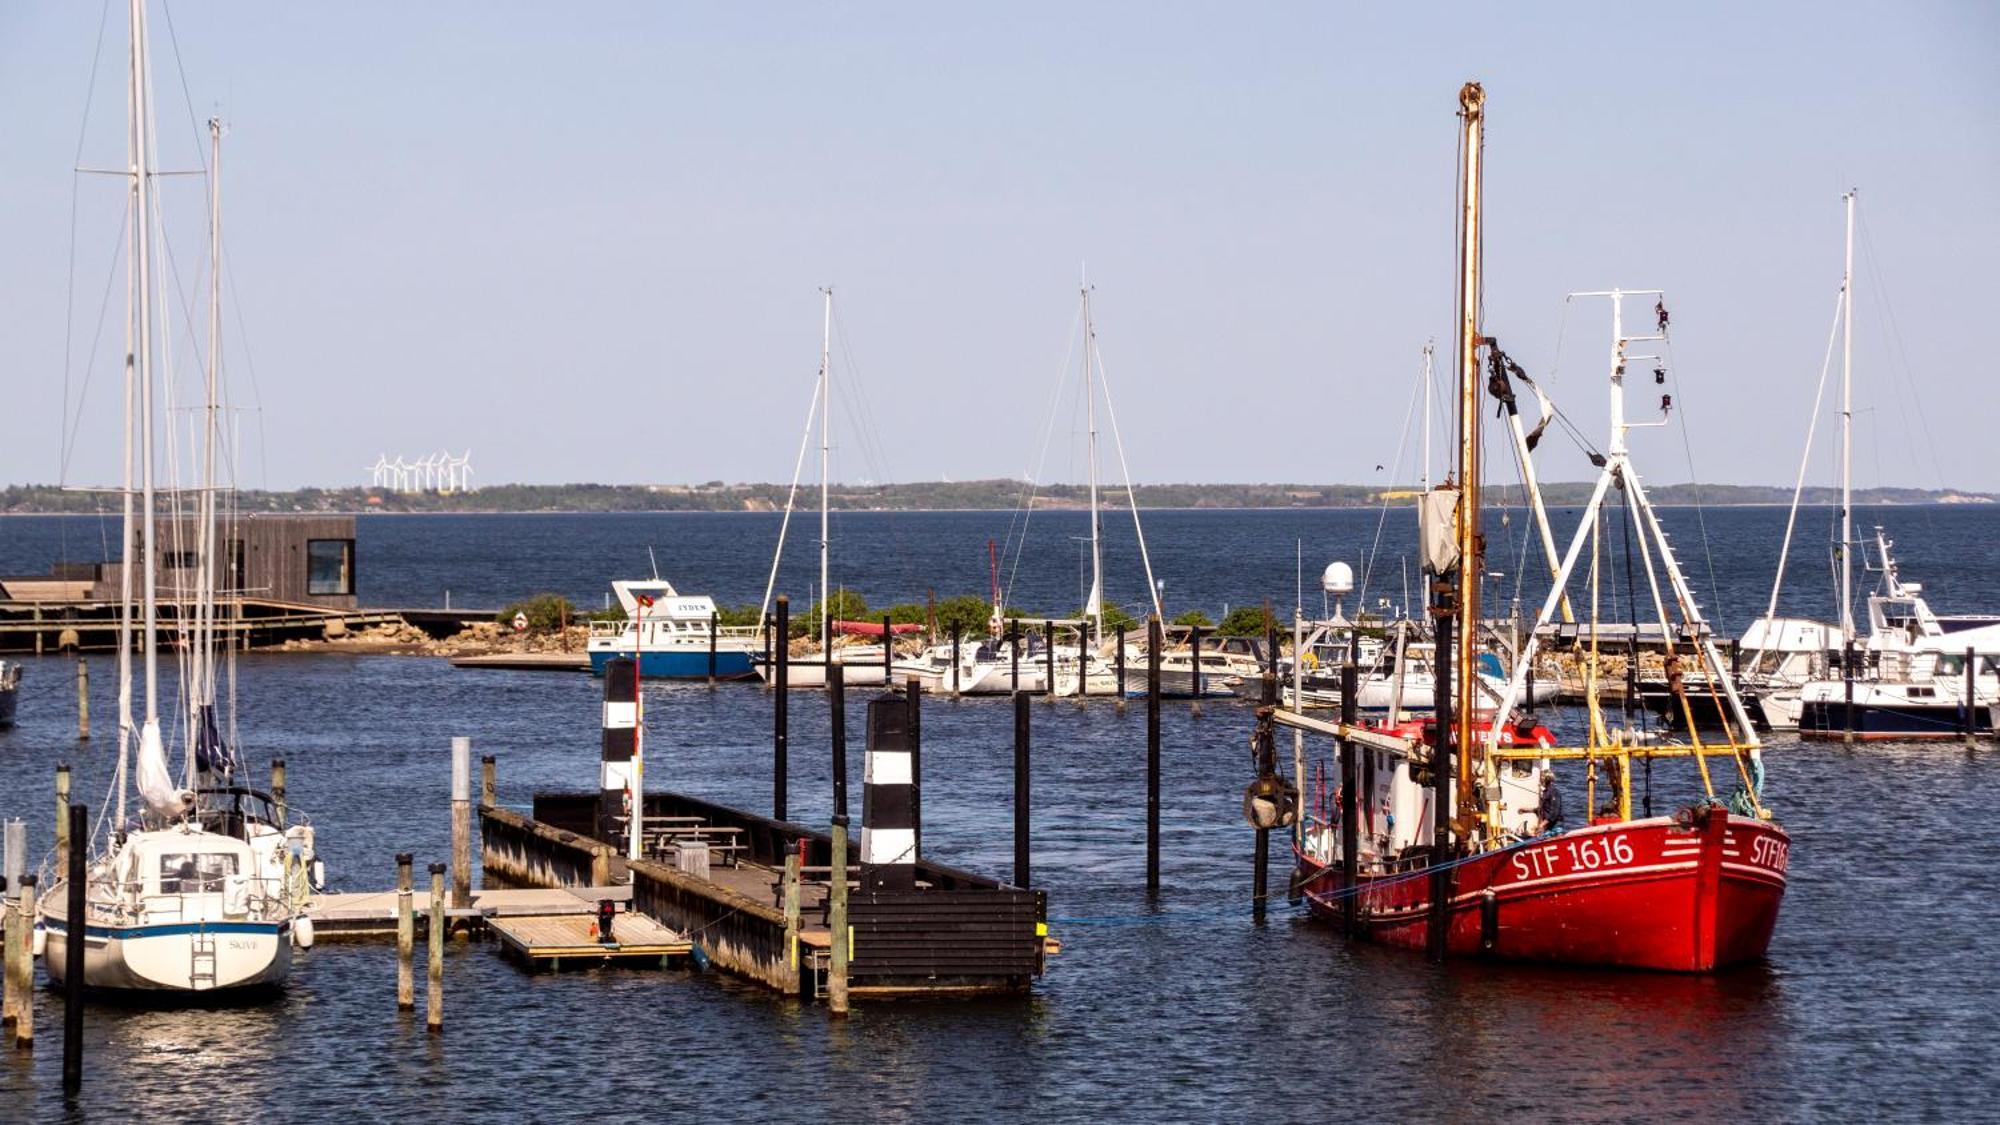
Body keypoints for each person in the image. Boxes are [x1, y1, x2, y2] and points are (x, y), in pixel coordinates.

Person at [1535, 770, 1564, 834]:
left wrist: (1541, 825)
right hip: (1548, 826)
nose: (1540, 780)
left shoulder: (1554, 792)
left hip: (1555, 827)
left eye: (1541, 777)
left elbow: (1554, 813)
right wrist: (1528, 810)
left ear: (1546, 779)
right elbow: (1544, 809)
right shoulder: (1546, 792)